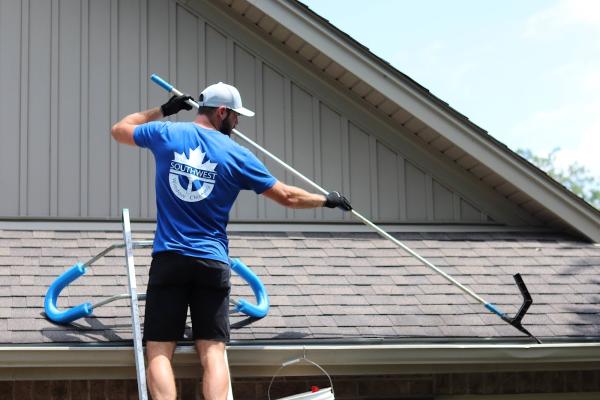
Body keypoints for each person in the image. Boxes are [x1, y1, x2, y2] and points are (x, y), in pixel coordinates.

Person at [111, 81, 351, 400]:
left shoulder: (167, 133)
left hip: (170, 259)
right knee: (212, 351)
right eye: (235, 116)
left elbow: (120, 129)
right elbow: (287, 197)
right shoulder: (238, 155)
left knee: (158, 350)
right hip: (211, 262)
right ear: (222, 112)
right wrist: (325, 200)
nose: (236, 123)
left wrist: (162, 111)